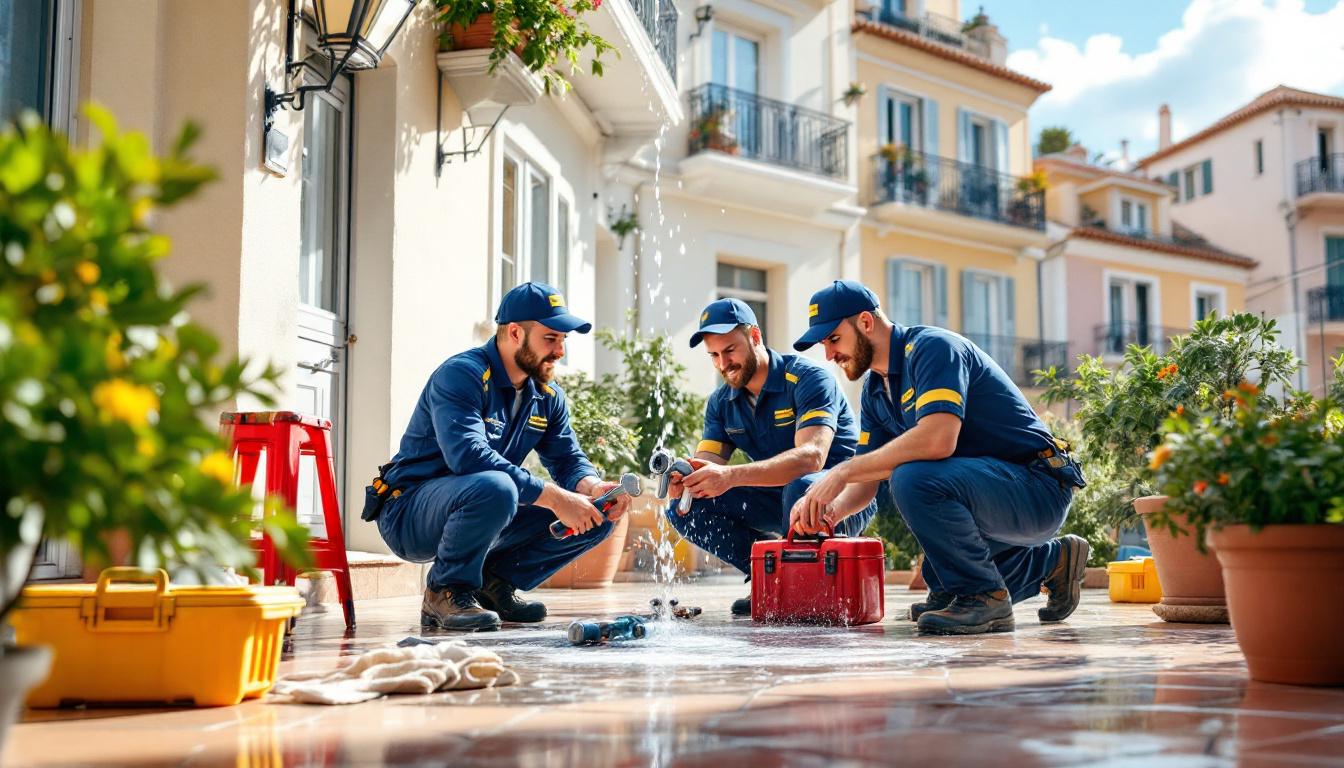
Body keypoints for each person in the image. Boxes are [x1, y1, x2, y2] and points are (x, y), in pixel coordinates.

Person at [788, 280, 1088, 635]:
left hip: (1038, 488)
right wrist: (829, 513)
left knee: (913, 479)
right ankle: (1052, 562)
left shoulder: (933, 349)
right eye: (823, 345)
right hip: (995, 494)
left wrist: (840, 472)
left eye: (834, 339)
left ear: (866, 322)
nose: (828, 355)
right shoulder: (875, 390)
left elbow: (937, 440)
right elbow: (867, 482)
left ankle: (984, 599)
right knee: (941, 578)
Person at [362, 282, 633, 631]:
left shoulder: (546, 396)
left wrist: (593, 487)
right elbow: (469, 458)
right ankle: (446, 589)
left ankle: (493, 584)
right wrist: (554, 497)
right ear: (516, 333)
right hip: (410, 511)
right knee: (497, 486)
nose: (560, 351)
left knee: (595, 514)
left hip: (481, 500)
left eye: (564, 341)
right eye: (550, 339)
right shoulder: (464, 374)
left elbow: (567, 458)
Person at [667, 298, 877, 615]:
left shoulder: (809, 379)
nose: (723, 363)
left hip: (839, 493)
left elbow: (811, 458)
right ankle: (772, 577)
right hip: (779, 495)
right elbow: (707, 464)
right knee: (687, 508)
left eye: (730, 351)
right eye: (714, 355)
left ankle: (808, 585)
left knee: (801, 486)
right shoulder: (721, 402)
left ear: (754, 337)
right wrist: (686, 479)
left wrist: (730, 476)